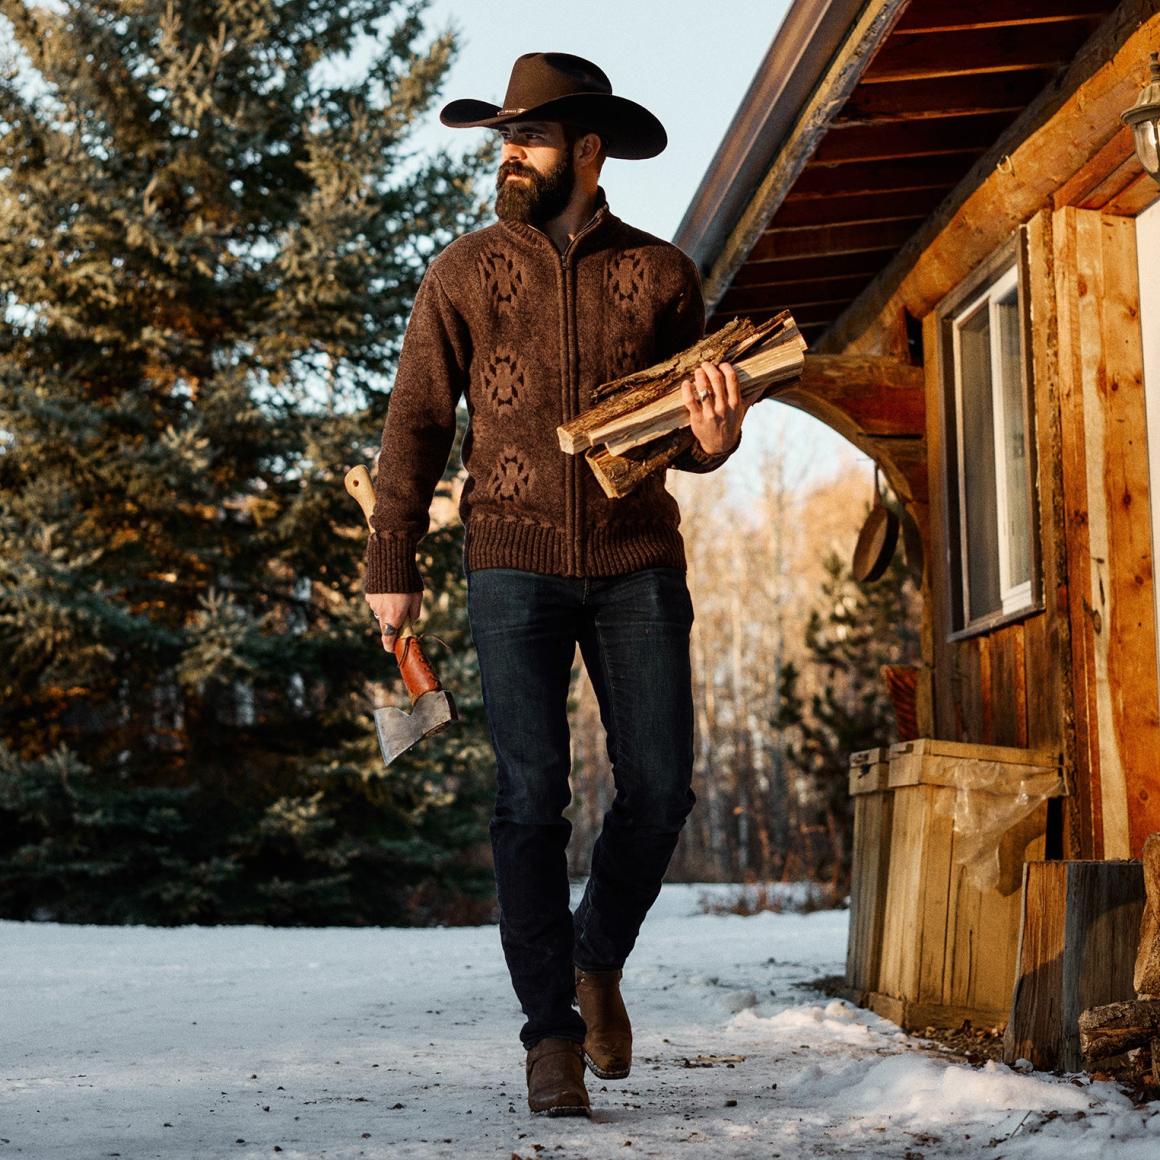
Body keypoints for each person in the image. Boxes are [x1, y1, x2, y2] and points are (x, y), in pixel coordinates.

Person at [363, 51, 747, 1117]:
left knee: (661, 785)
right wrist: (391, 560)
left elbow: (686, 428)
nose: (508, 155)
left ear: (586, 149)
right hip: (509, 560)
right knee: (529, 796)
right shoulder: (461, 272)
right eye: (501, 139)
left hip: (636, 559)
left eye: (526, 138)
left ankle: (595, 954)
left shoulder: (664, 275)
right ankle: (549, 1035)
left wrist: (715, 438)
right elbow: (416, 425)